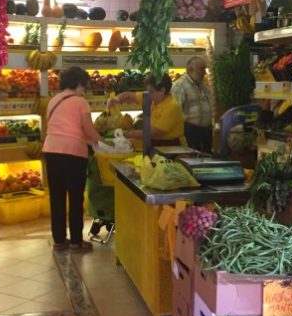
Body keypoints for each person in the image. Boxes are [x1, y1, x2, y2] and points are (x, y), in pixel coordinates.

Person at [42, 67, 103, 252]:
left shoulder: (53, 100)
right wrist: (103, 143)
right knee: (76, 198)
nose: (84, 90)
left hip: (51, 151)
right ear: (78, 84)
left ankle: (59, 240)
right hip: (73, 153)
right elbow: (88, 129)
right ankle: (77, 241)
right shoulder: (80, 102)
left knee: (57, 197)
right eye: (83, 86)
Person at [111, 73, 186, 147]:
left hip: (172, 147)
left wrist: (128, 133)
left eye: (151, 91)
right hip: (154, 143)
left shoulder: (172, 106)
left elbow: (155, 133)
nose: (148, 94)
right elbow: (128, 95)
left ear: (162, 90)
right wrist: (116, 99)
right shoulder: (152, 98)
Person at [171, 56, 213, 152]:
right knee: (194, 160)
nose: (204, 72)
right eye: (201, 69)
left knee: (206, 159)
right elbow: (175, 112)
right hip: (190, 132)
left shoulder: (203, 85)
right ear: (190, 69)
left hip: (206, 132)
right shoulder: (180, 86)